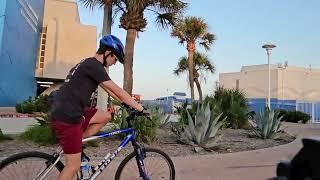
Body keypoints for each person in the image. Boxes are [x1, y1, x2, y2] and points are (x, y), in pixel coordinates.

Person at [50, 34, 146, 180]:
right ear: (109, 52)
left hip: (72, 109)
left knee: (105, 116)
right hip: (68, 116)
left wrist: (125, 104)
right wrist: (141, 109)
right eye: (115, 59)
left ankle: (77, 142)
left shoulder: (89, 64)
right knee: (72, 167)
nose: (114, 63)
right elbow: (118, 91)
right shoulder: (94, 66)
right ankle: (75, 146)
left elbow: (111, 92)